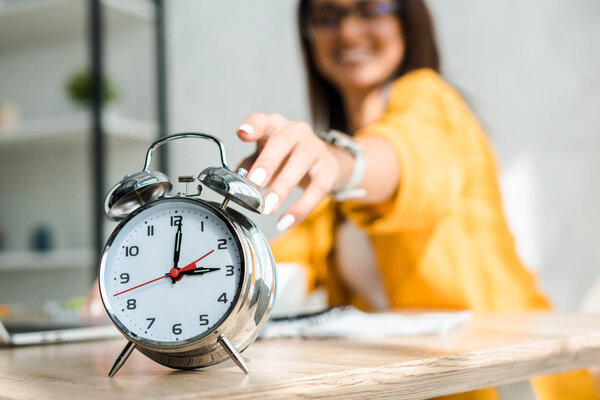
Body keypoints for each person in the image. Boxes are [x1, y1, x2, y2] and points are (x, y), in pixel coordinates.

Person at [234, 0, 600, 399]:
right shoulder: (331, 198)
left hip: (517, 384)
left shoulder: (430, 100)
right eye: (328, 17)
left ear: (409, 19)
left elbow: (405, 158)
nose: (349, 32)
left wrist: (338, 164)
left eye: (372, 9)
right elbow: (272, 265)